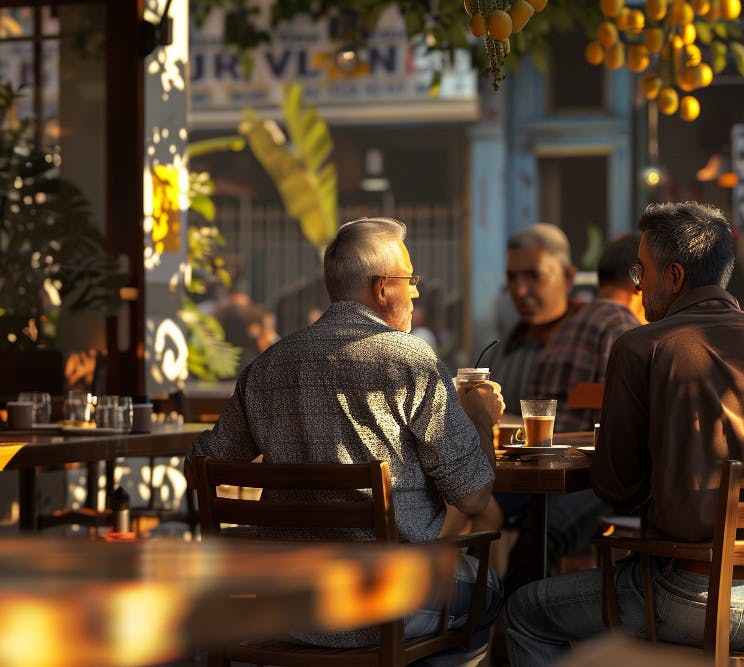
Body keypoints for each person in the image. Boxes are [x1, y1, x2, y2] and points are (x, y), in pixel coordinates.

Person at [503, 201, 744, 666]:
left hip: (693, 601)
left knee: (524, 611)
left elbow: (616, 491)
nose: (636, 284)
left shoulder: (641, 347)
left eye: (641, 270)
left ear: (673, 277)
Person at [188, 217, 505, 663]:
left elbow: (202, 463)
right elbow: (474, 498)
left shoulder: (268, 365)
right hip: (383, 602)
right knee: (489, 591)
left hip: (286, 601)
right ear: (382, 288)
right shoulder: (409, 359)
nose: (415, 291)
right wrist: (480, 421)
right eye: (410, 279)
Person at [525, 232, 645, 433]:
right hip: (581, 461)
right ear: (639, 283)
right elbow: (619, 422)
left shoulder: (569, 325)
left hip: (545, 456)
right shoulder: (622, 327)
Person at [483, 223, 579, 413]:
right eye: (512, 278)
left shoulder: (586, 348)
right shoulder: (496, 354)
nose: (520, 291)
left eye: (534, 276)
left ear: (568, 277)